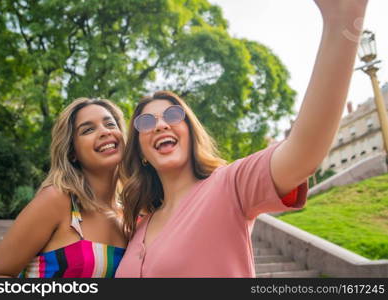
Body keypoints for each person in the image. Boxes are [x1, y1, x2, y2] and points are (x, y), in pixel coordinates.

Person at [115, 0, 369, 277]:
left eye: (173, 115)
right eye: (147, 122)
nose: (161, 125)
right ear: (139, 150)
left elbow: (304, 152)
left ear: (191, 132)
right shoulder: (139, 225)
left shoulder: (229, 185)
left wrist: (343, 20)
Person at [0, 97, 127, 278]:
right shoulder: (57, 200)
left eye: (110, 124)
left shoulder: (129, 218)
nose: (105, 132)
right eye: (88, 130)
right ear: (72, 152)